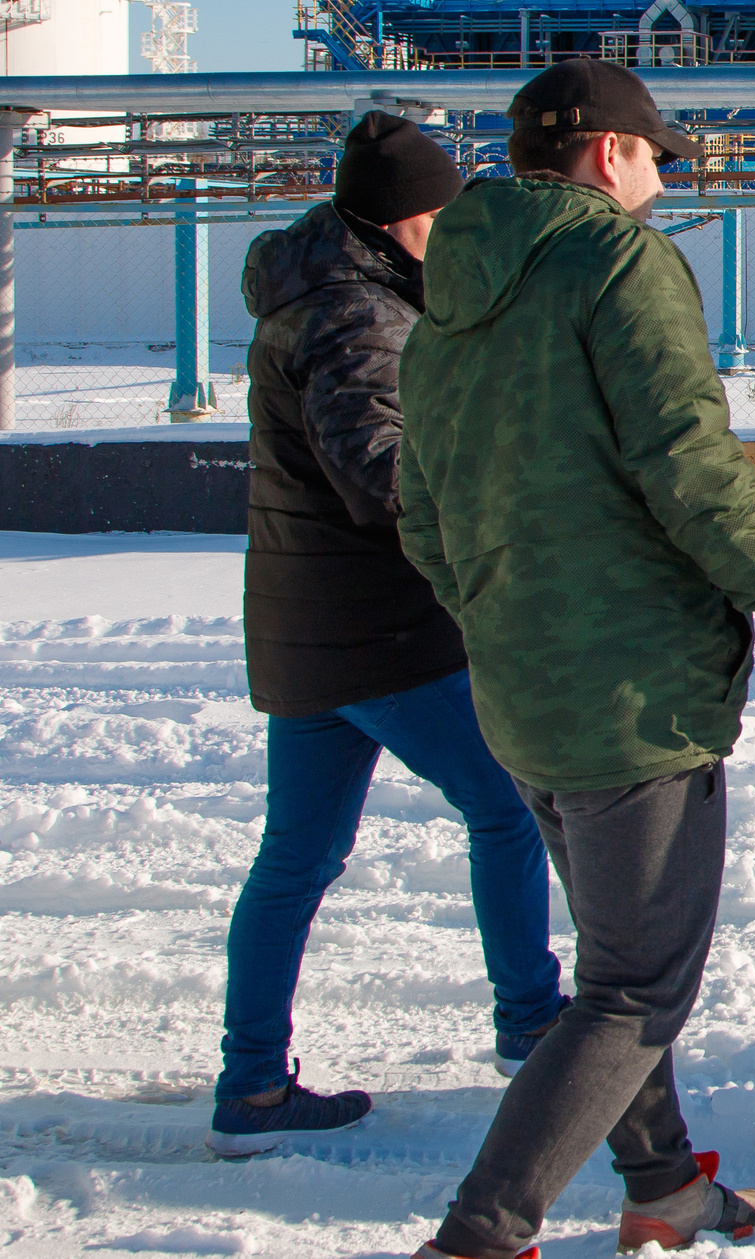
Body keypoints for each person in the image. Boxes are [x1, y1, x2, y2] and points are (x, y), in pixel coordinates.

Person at [396, 59, 755, 1257]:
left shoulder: (451, 288)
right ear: (607, 153)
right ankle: (482, 1234)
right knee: (635, 989)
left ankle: (661, 1187)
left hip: (526, 690)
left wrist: (497, 613)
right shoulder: (617, 260)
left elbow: (418, 504)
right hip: (634, 694)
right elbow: (687, 458)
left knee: (615, 971)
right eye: (655, 155)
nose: (659, 178)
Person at [209, 111, 565, 1158]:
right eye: (442, 217)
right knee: (505, 803)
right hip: (380, 629)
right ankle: (531, 1027)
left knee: (296, 858)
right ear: (412, 217)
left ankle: (252, 1088)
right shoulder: (357, 314)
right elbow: (380, 470)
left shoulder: (314, 290)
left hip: (305, 628)